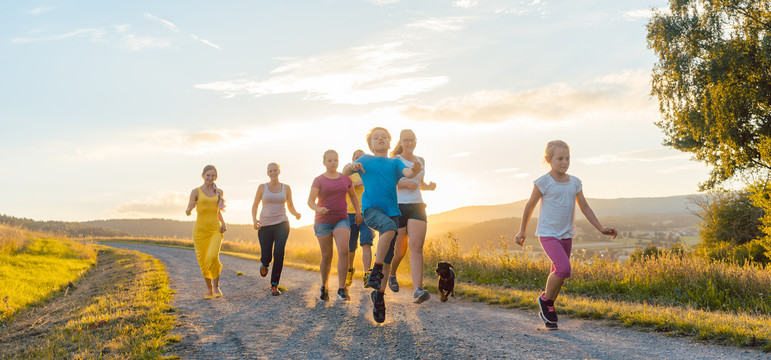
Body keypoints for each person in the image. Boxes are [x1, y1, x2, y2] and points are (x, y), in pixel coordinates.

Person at [514, 140, 617, 329]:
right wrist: (522, 230)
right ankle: (545, 300)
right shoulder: (543, 182)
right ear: (548, 159)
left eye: (567, 158)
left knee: (559, 275)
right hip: (548, 234)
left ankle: (548, 308)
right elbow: (530, 205)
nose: (564, 162)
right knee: (563, 269)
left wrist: (600, 228)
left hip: (566, 235)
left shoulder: (575, 183)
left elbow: (584, 206)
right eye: (560, 158)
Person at [342, 127, 422, 323]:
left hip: (392, 212)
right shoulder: (366, 160)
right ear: (370, 144)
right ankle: (375, 271)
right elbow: (344, 172)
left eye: (384, 137)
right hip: (370, 210)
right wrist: (351, 167)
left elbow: (408, 172)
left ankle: (379, 296)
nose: (380, 139)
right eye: (376, 138)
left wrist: (415, 170)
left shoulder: (394, 162)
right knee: (389, 229)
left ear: (389, 142)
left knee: (388, 258)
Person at [387, 129, 436, 304]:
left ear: (416, 141)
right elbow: (390, 182)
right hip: (399, 206)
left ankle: (418, 290)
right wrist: (404, 184)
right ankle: (392, 274)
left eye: (412, 140)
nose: (409, 143)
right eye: (405, 140)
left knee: (416, 247)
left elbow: (419, 183)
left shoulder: (421, 160)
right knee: (400, 249)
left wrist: (428, 187)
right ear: (400, 142)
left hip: (417, 206)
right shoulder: (395, 160)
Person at [308, 150, 362, 301]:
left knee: (343, 251)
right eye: (330, 160)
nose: (333, 163)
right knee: (327, 256)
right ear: (324, 162)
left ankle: (341, 289)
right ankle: (324, 287)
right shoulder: (318, 180)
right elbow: (310, 201)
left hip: (342, 219)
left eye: (335, 160)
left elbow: (353, 196)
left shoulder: (345, 179)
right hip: (322, 221)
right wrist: (318, 208)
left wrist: (358, 212)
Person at [252, 163, 302, 296]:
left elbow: (290, 206)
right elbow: (255, 205)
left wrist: (295, 213)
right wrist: (254, 220)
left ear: (279, 171)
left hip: (282, 223)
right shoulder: (262, 187)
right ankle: (265, 264)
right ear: (267, 173)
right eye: (271, 171)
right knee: (266, 256)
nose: (273, 173)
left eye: (275, 170)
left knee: (279, 252)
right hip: (265, 225)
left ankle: (274, 285)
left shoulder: (286, 188)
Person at [185, 165, 227, 299]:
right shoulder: (195, 192)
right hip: (200, 232)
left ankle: (216, 286)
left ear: (216, 176)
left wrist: (224, 223)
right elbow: (187, 211)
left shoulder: (219, 192)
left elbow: (218, 211)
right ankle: (209, 289)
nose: (210, 178)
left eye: (213, 175)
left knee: (212, 257)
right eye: (208, 175)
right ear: (203, 176)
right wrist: (189, 209)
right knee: (203, 261)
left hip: (215, 230)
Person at [344, 149, 375, 289]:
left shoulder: (368, 174)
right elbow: (341, 189)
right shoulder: (346, 174)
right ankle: (350, 269)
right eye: (355, 157)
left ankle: (367, 274)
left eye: (360, 157)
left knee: (367, 242)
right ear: (352, 160)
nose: (358, 159)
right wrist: (357, 184)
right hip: (350, 213)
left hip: (366, 212)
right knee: (351, 247)